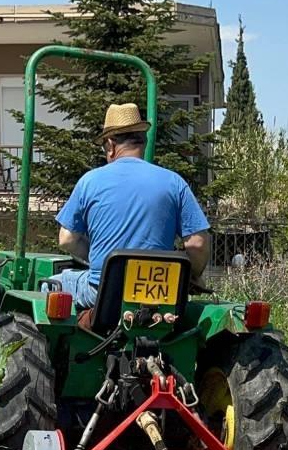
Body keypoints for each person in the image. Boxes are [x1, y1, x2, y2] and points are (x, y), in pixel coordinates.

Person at [45, 102, 211, 308]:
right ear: (143, 142)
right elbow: (197, 244)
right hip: (159, 295)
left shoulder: (90, 181)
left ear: (110, 145)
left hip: (103, 294)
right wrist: (192, 276)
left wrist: (104, 260)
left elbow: (67, 239)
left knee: (51, 284)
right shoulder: (174, 182)